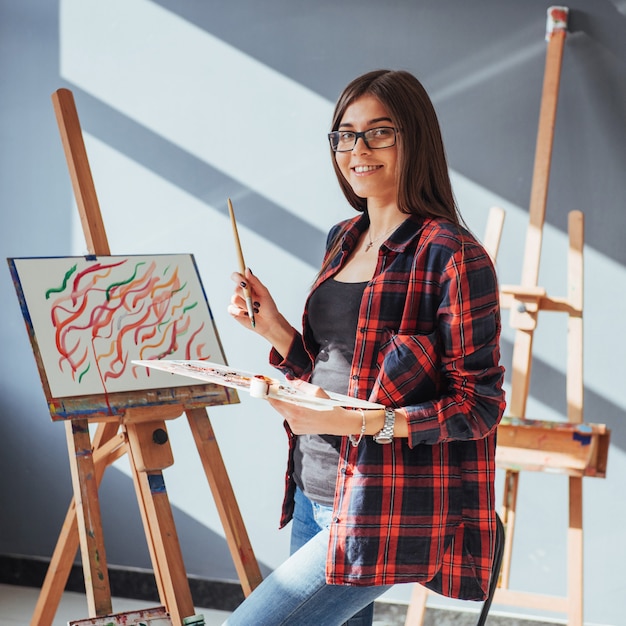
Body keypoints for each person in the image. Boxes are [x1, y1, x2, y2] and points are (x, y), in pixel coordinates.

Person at [225, 69, 506, 626]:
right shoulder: (343, 238)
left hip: (380, 504)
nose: (357, 149)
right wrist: (277, 330)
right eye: (345, 134)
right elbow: (339, 371)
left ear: (415, 138)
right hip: (314, 485)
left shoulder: (451, 254)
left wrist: (370, 425)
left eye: (379, 132)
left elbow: (480, 406)